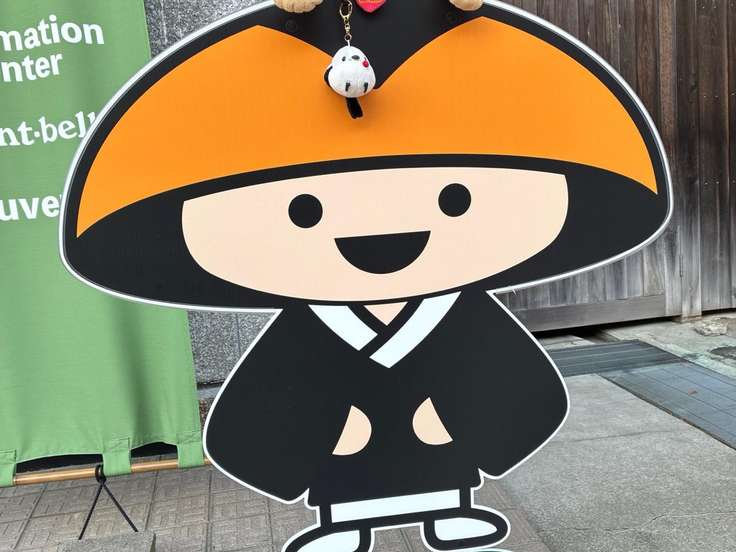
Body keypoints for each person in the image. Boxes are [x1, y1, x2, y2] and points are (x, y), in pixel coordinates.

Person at [61, 2, 671, 551]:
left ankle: (447, 514)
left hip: (447, 468)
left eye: (454, 198)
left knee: (444, 465)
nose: (380, 233)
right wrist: (325, 429)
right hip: (337, 476)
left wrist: (463, 422)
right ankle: (345, 526)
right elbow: (256, 417)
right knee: (344, 475)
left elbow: (524, 393)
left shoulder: (459, 317)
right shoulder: (307, 329)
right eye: (304, 210)